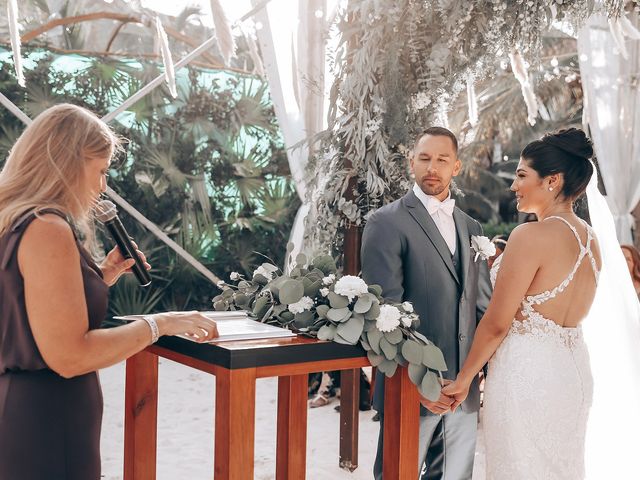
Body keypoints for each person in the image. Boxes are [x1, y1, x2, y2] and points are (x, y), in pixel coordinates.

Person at [0, 103, 219, 480]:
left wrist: (102, 276)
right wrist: (160, 324)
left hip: (33, 416)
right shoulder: (46, 228)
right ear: (66, 162)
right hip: (47, 426)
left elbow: (26, 310)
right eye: (100, 171)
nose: (103, 186)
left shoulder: (16, 220)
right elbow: (69, 355)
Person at [443, 128, 602, 478]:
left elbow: (498, 322)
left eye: (521, 175)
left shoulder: (530, 235)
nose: (513, 186)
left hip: (527, 377)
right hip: (571, 375)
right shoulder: (591, 241)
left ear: (552, 180)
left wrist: (464, 379)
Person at [361, 127, 492, 479]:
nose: (432, 167)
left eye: (442, 159)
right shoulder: (385, 222)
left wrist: (474, 377)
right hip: (411, 389)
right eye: (424, 158)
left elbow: (482, 310)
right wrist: (417, 385)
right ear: (411, 162)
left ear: (457, 167)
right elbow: (382, 315)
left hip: (461, 391)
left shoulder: (472, 227)